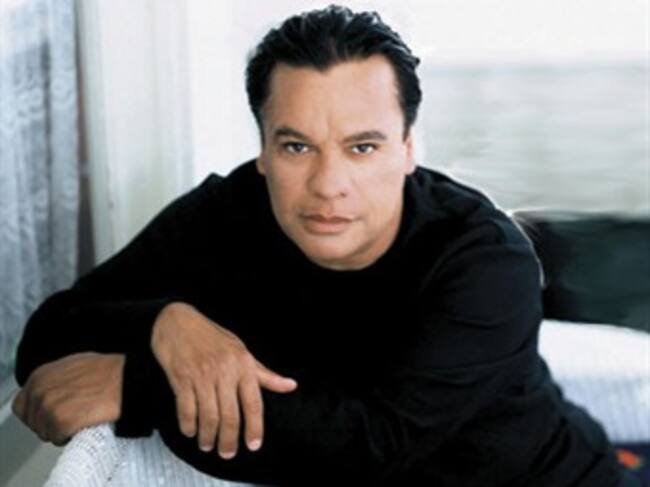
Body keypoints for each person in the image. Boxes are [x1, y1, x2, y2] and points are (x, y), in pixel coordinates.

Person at [11, 5, 632, 486]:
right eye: (296, 146)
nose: (328, 184)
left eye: (362, 147)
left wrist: (141, 386)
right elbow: (47, 339)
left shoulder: (485, 260)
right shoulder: (229, 211)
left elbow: (370, 446)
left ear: (408, 149)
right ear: (263, 150)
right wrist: (163, 324)